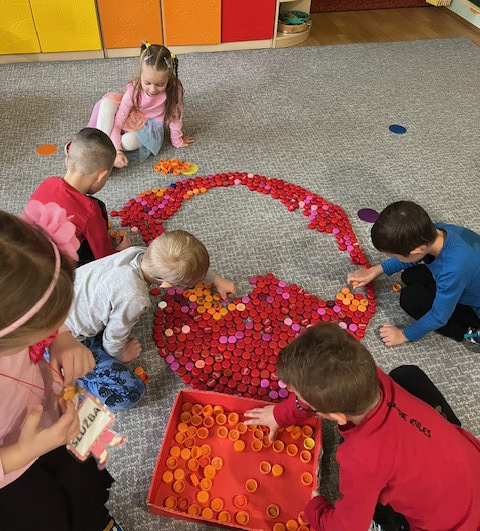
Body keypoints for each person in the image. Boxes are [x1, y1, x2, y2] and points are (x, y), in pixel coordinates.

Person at [244, 323, 480, 531]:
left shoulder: (361, 460)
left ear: (336, 416)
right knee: (405, 375)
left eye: (298, 396)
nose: (291, 393)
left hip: (455, 525)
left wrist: (316, 508)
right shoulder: (369, 376)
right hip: (469, 464)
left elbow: (347, 527)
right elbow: (322, 385)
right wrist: (281, 414)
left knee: (373, 499)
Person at [0, 205, 124, 531]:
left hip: (50, 422)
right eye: (44, 329)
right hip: (10, 475)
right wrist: (21, 452)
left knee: (83, 487)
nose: (50, 330)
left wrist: (62, 337)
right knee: (46, 517)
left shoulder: (13, 302)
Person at [66, 229, 235, 411]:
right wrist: (121, 354)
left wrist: (216, 279)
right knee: (131, 393)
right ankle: (72, 376)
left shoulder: (141, 253)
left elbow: (181, 266)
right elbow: (114, 336)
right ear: (167, 285)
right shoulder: (135, 298)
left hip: (62, 302)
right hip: (63, 340)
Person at [347, 201, 480, 347]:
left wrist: (404, 335)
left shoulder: (453, 271)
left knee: (411, 299)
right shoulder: (436, 231)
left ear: (417, 251)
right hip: (467, 276)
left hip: (475, 308)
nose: (396, 259)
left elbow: (439, 316)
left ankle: (468, 331)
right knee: (410, 275)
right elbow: (417, 257)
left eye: (396, 256)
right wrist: (376, 270)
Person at [29, 127, 130, 266]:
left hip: (27, 253)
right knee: (98, 209)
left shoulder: (47, 182)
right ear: (101, 176)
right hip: (58, 270)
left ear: (67, 160)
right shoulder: (91, 211)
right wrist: (122, 251)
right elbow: (105, 258)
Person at [88, 43, 194, 169]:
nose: (153, 89)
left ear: (168, 79)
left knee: (128, 142)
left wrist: (177, 140)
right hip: (130, 116)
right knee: (107, 103)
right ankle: (100, 147)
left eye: (160, 84)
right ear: (141, 75)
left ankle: (105, 148)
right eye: (147, 83)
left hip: (148, 128)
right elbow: (117, 124)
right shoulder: (134, 91)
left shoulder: (174, 89)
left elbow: (176, 117)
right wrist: (117, 151)